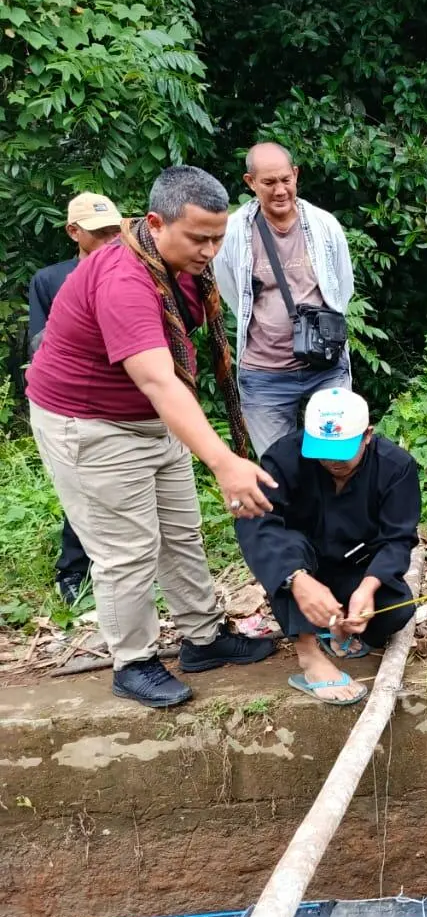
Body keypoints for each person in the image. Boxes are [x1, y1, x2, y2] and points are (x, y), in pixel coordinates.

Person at [26, 165, 277, 708]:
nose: (211, 250)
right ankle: (133, 661)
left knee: (181, 531)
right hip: (89, 421)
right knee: (127, 550)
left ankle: (203, 639)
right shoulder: (125, 278)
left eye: (218, 237)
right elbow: (159, 379)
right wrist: (224, 461)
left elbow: (167, 385)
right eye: (199, 238)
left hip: (151, 417)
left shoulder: (178, 261)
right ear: (157, 223)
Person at [235, 388, 420, 705]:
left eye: (342, 451)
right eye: (322, 451)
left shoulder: (395, 467)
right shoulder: (283, 458)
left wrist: (368, 587)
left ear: (367, 436)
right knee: (285, 546)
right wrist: (298, 579)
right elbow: (255, 523)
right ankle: (309, 655)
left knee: (397, 609)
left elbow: (398, 538)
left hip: (356, 565)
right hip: (301, 565)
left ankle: (339, 626)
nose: (332, 461)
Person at [214, 142, 355, 458]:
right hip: (264, 373)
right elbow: (230, 289)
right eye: (268, 182)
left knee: (336, 457)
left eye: (285, 180)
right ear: (250, 182)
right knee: (279, 466)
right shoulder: (234, 231)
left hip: (326, 365)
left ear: (295, 175)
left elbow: (342, 287)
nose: (280, 190)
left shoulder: (323, 225)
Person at [27, 192, 123, 605]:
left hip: (123, 396)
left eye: (114, 232)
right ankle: (73, 573)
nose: (109, 241)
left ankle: (125, 577)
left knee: (125, 492)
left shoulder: (131, 270)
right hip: (74, 401)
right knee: (82, 492)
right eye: (99, 234)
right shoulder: (52, 279)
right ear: (74, 232)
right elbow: (38, 342)